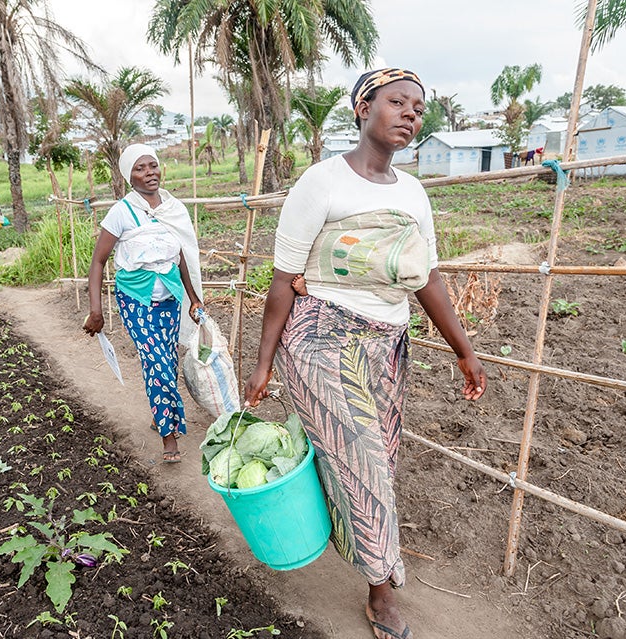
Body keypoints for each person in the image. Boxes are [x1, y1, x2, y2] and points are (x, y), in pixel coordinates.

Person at [244, 68, 487, 639]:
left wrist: (464, 350)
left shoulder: (413, 193)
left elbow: (425, 277)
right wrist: (262, 364)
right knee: (367, 464)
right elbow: (284, 281)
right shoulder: (321, 182)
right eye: (396, 102)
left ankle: (345, 539)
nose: (410, 114)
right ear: (362, 108)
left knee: (375, 459)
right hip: (322, 339)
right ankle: (382, 592)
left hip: (387, 345)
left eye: (419, 108)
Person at [83, 144, 204, 464]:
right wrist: (96, 311)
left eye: (153, 166)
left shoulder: (173, 208)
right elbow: (98, 263)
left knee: (166, 360)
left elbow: (181, 258)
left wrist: (193, 299)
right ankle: (169, 437)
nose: (149, 173)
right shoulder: (121, 212)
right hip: (136, 299)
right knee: (157, 363)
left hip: (169, 297)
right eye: (140, 168)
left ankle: (158, 414)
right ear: (128, 176)